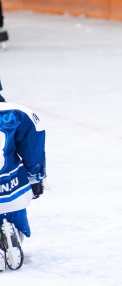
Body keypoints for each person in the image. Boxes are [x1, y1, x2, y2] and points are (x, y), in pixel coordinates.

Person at [0, 98, 46, 271]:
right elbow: (33, 148)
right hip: (12, 190)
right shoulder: (17, 113)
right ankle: (11, 231)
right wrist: (36, 177)